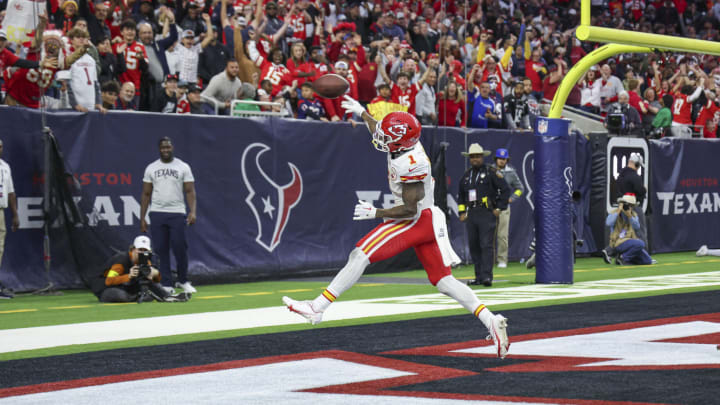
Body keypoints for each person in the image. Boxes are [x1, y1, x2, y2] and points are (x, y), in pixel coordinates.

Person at [282, 96, 510, 359]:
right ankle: (491, 320)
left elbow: (409, 209)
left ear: (402, 142)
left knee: (360, 254)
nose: (382, 140)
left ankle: (317, 307)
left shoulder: (411, 162)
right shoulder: (403, 144)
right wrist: (362, 112)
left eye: (388, 138)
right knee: (444, 282)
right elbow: (380, 131)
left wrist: (376, 212)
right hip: (426, 216)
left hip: (414, 219)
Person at [140, 137, 198, 294]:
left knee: (180, 247)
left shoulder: (183, 167)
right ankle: (167, 283)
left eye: (168, 147)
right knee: (161, 249)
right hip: (157, 213)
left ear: (172, 147)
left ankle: (183, 280)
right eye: (162, 147)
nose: (165, 150)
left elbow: (190, 191)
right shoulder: (151, 168)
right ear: (159, 149)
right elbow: (146, 194)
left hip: (177, 212)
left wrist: (192, 211)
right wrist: (143, 217)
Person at [457, 144, 510, 286]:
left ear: (482, 157)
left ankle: (487, 276)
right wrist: (462, 212)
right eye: (472, 157)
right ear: (469, 158)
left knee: (486, 245)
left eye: (477, 156)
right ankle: (478, 276)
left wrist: (499, 207)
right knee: (474, 246)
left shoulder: (491, 172)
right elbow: (461, 196)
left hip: (487, 213)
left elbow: (505, 190)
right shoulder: (466, 176)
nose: (475, 159)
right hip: (472, 214)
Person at [91, 235, 191, 302]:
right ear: (133, 249)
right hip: (106, 289)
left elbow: (156, 280)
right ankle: (140, 297)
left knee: (147, 283)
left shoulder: (145, 261)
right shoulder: (121, 260)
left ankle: (168, 297)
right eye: (140, 249)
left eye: (145, 250)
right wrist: (128, 276)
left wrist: (154, 273)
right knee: (118, 295)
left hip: (127, 286)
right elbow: (109, 281)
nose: (142, 253)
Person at [492, 148, 523, 269]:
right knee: (489, 235)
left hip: (504, 207)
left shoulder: (511, 172)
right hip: (491, 207)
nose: (501, 161)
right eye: (500, 158)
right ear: (496, 159)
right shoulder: (490, 170)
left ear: (507, 160)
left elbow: (520, 188)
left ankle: (502, 260)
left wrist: (512, 198)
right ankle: (489, 260)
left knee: (502, 235)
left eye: (504, 159)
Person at [604, 194, 652, 265]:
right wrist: (619, 211)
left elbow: (637, 227)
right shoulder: (614, 213)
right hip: (618, 242)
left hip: (630, 241)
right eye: (626, 205)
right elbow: (608, 223)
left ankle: (623, 260)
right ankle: (623, 257)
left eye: (631, 205)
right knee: (640, 243)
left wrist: (629, 216)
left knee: (647, 261)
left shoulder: (633, 215)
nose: (628, 207)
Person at [0, 140, 18, 299]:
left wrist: (15, 214)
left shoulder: (5, 166)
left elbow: (10, 192)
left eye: (0, 146)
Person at [616, 152, 647, 243]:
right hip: (634, 207)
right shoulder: (634, 176)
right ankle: (643, 255)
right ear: (637, 164)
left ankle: (623, 255)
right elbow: (640, 191)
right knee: (640, 232)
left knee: (625, 232)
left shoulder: (621, 175)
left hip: (622, 207)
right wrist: (644, 189)